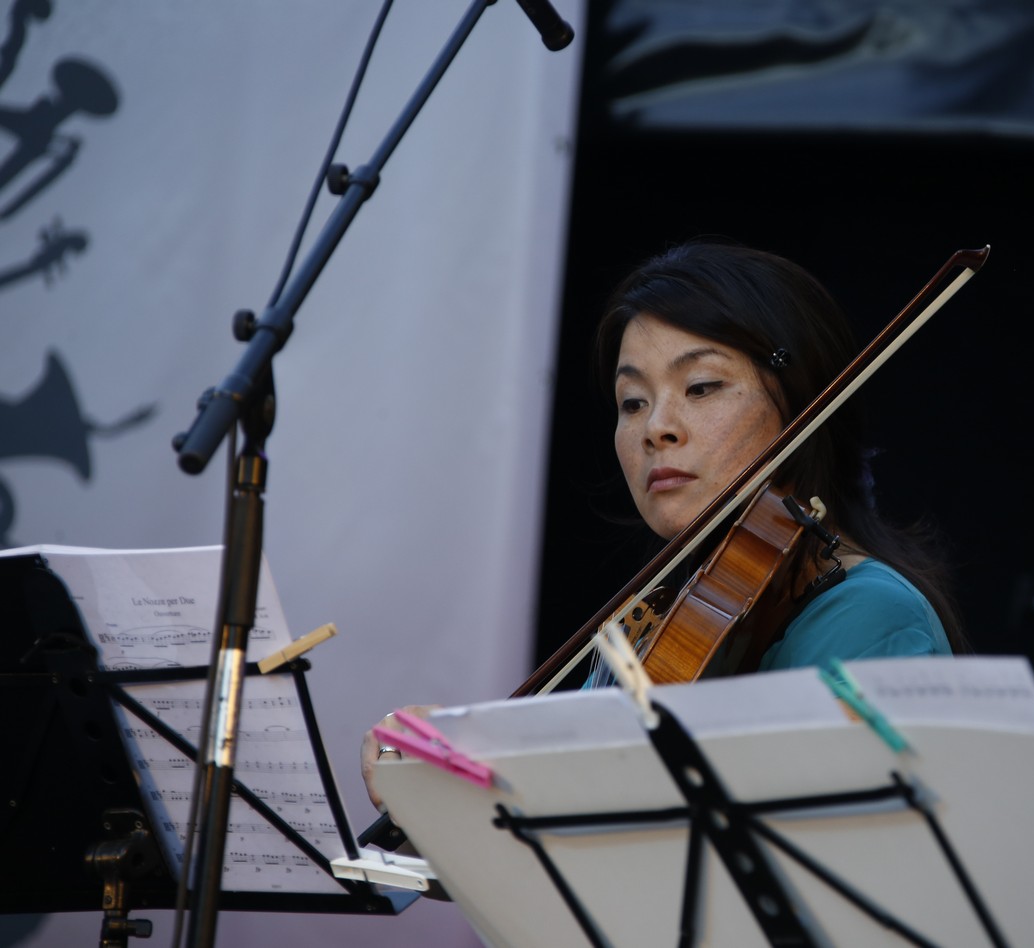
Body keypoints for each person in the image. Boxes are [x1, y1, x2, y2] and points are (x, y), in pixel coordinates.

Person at [362, 240, 964, 810]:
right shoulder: (665, 616)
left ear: (803, 402)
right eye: (633, 402)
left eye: (700, 387)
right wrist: (455, 777)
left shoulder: (870, 615)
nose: (656, 428)